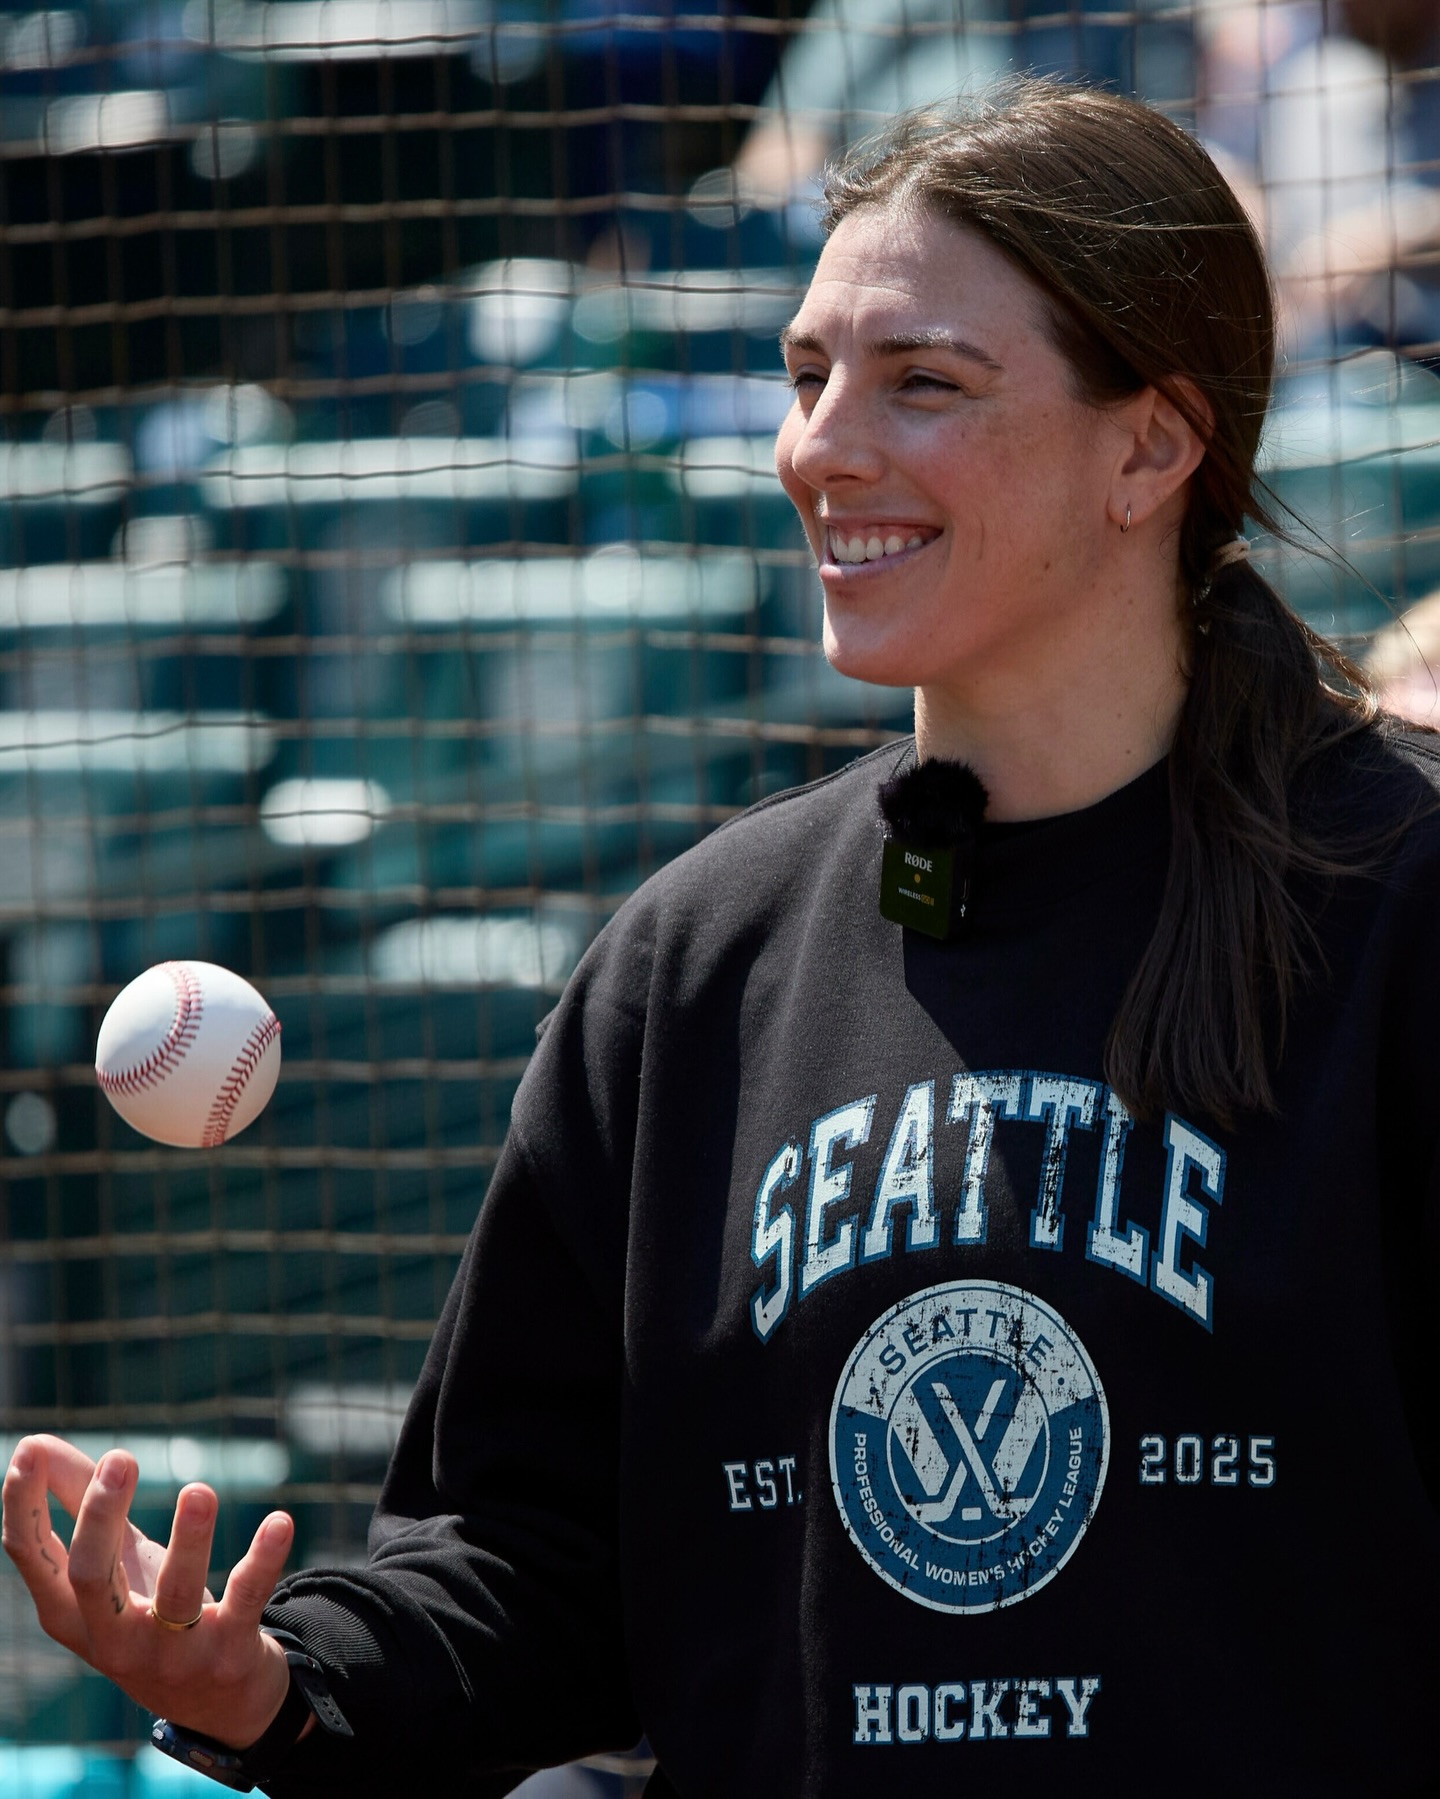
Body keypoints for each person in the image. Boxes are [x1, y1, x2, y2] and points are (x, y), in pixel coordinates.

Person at [6, 77, 1440, 1797]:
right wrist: (275, 1681)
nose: (823, 445)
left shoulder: (1406, 900)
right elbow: (532, 1561)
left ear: (1153, 444)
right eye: (808, 374)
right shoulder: (699, 962)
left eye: (925, 383)